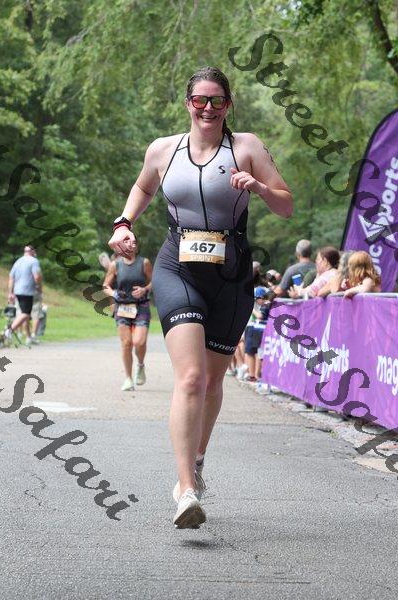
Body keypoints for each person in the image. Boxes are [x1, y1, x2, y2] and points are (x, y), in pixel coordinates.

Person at [108, 66, 292, 529]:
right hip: (178, 266)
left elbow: (286, 204)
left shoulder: (247, 147)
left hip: (231, 273)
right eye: (199, 100)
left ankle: (199, 458)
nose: (208, 108)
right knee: (190, 378)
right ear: (187, 103)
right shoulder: (163, 150)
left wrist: (259, 187)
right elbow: (143, 186)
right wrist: (124, 223)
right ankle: (186, 488)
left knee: (212, 382)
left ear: (229, 104)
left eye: (217, 100)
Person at [103, 236, 152, 391]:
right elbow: (105, 286)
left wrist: (144, 289)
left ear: (137, 247)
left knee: (139, 342)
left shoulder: (144, 263)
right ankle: (128, 379)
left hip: (141, 306)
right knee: (126, 343)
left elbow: (154, 282)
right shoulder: (115, 265)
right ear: (121, 246)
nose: (130, 244)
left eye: (133, 242)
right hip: (122, 308)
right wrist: (113, 293)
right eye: (127, 242)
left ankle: (141, 365)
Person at [6, 245, 42, 346]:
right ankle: (8, 331)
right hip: (27, 291)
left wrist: (10, 293)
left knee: (23, 313)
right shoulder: (34, 261)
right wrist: (38, 286)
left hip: (17, 291)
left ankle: (28, 337)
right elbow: (37, 276)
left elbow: (11, 277)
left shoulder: (18, 261)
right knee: (26, 314)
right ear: (33, 252)